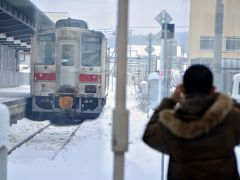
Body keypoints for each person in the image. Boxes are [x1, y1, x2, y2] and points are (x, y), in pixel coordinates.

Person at [143, 64, 240, 180]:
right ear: (213, 89)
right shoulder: (231, 118)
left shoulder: (171, 124)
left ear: (182, 89)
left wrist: (170, 101)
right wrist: (224, 101)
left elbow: (149, 135)